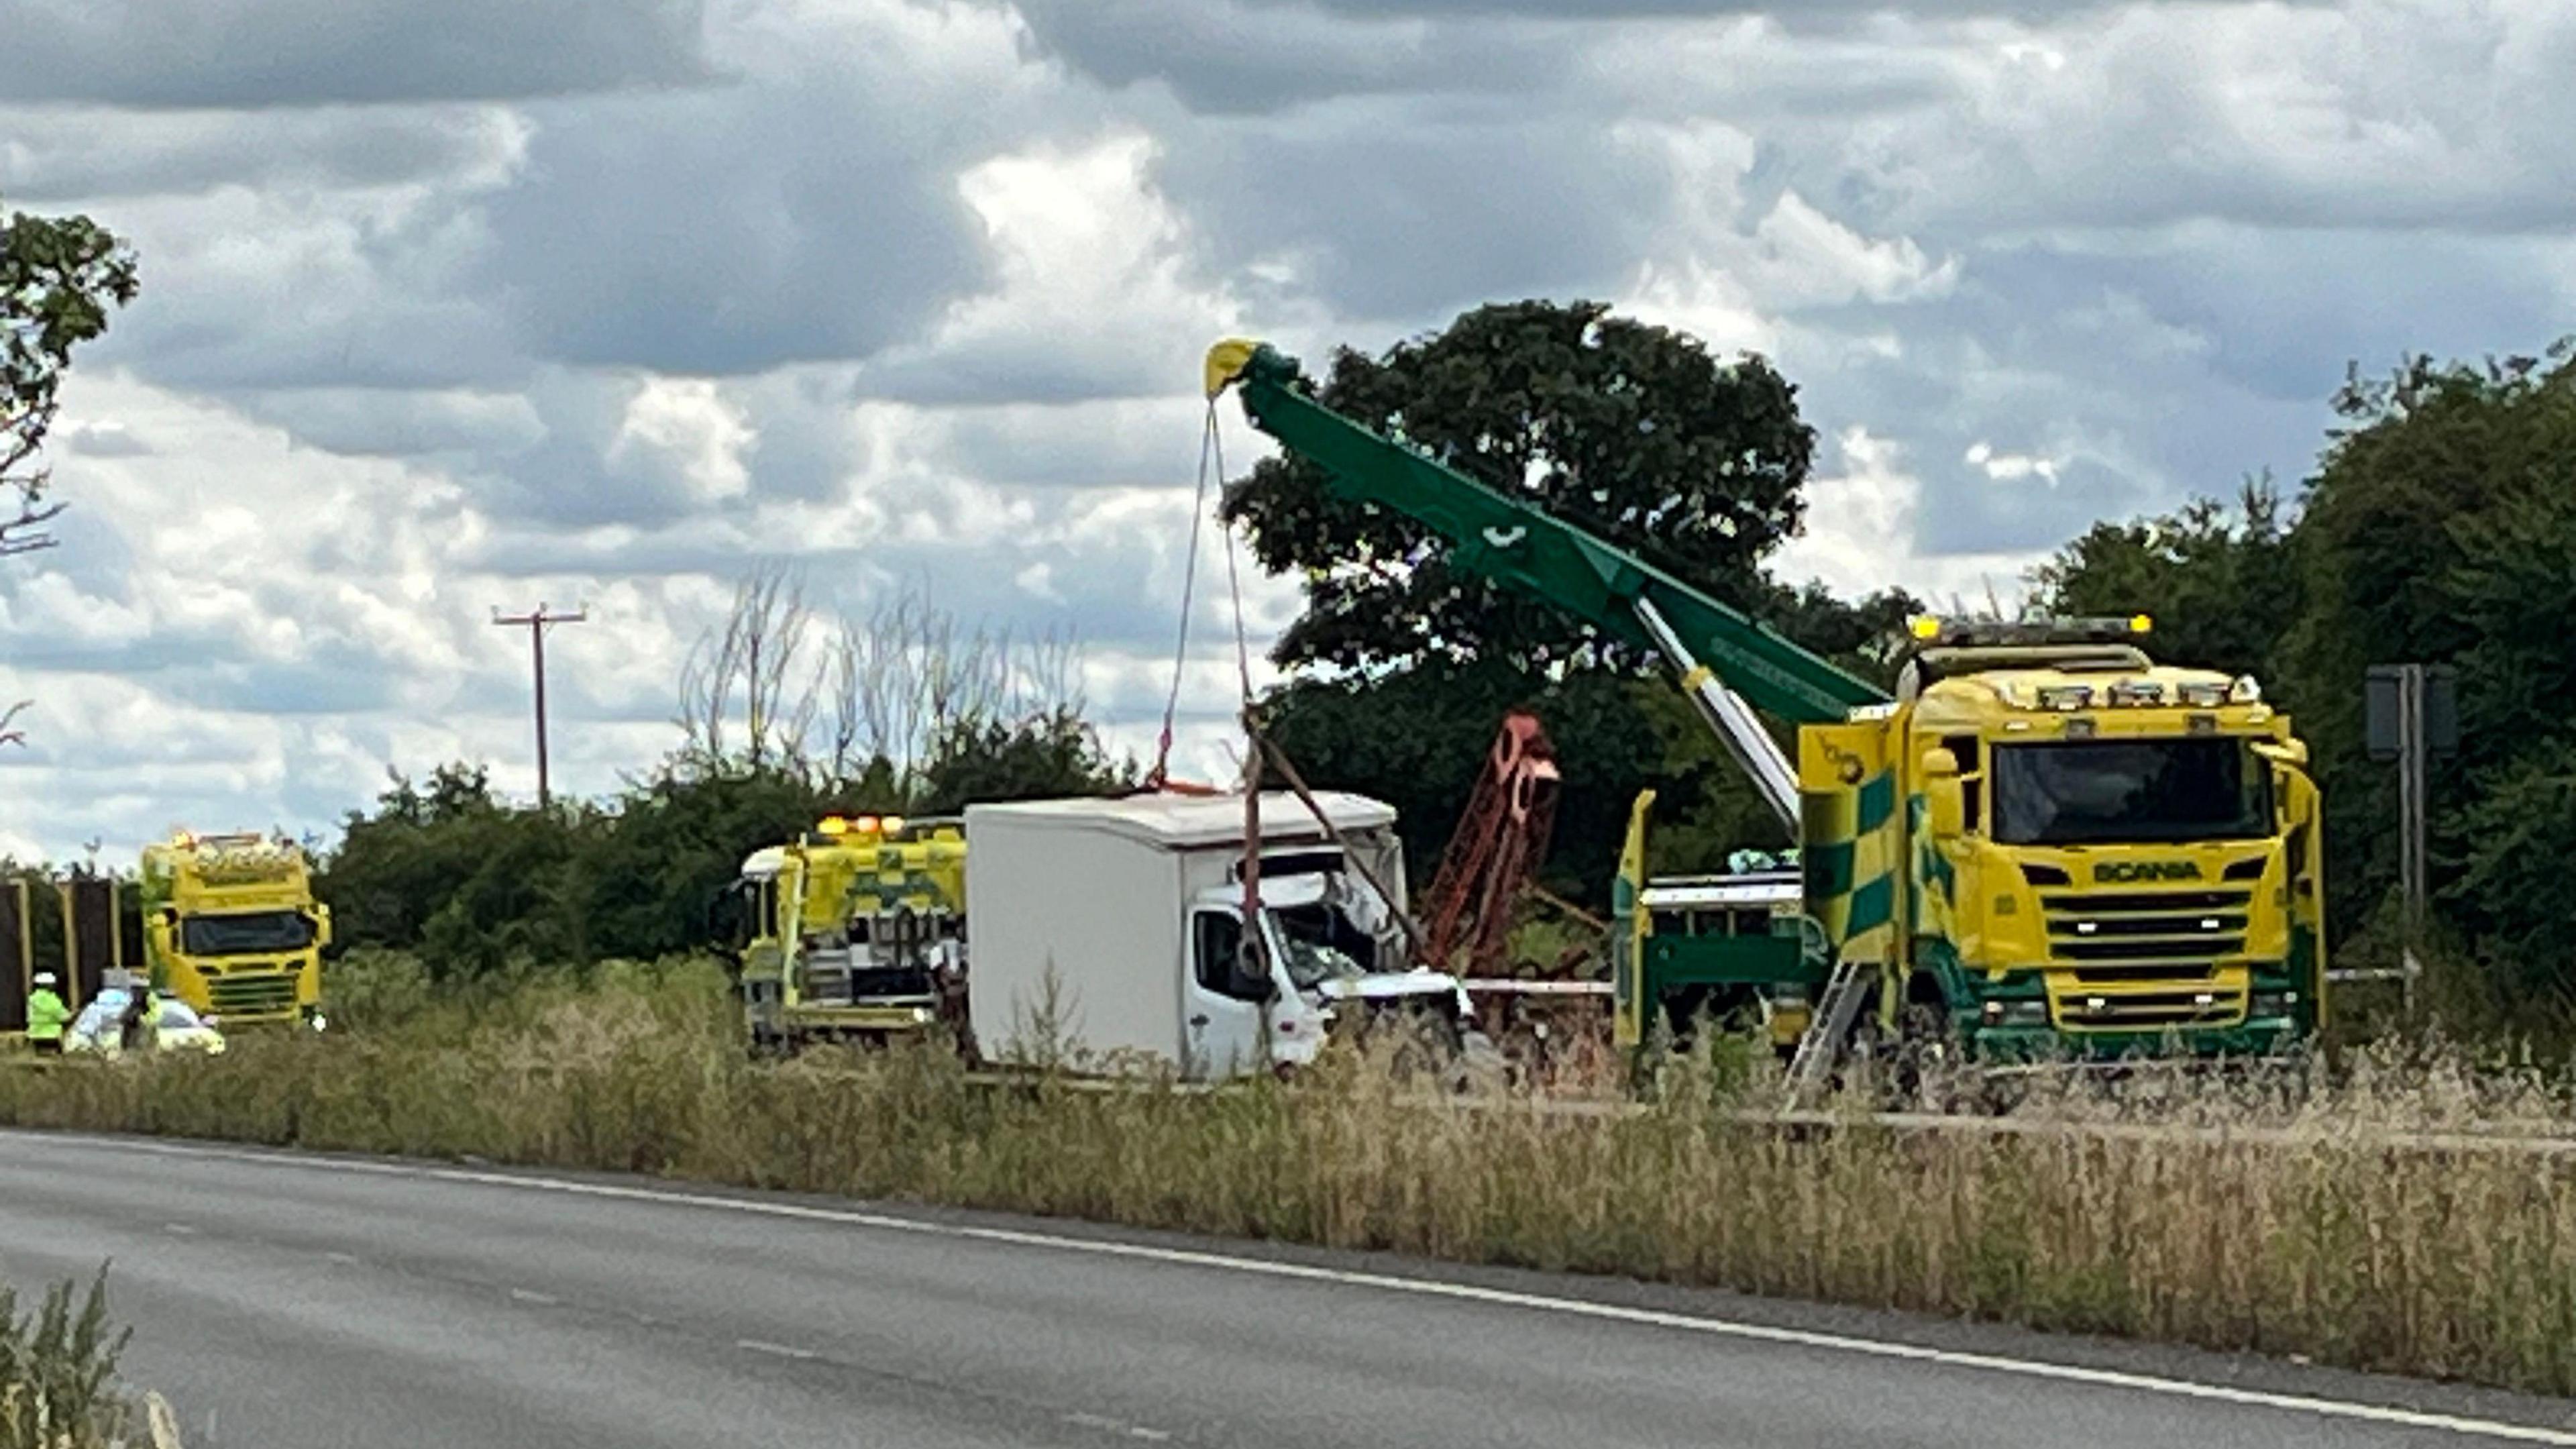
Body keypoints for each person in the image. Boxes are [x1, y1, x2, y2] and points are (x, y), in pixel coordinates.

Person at [25, 971, 68, 1055]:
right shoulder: (52, 999)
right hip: (51, 1035)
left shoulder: (32, 999)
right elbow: (62, 1016)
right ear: (49, 985)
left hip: (35, 1034)